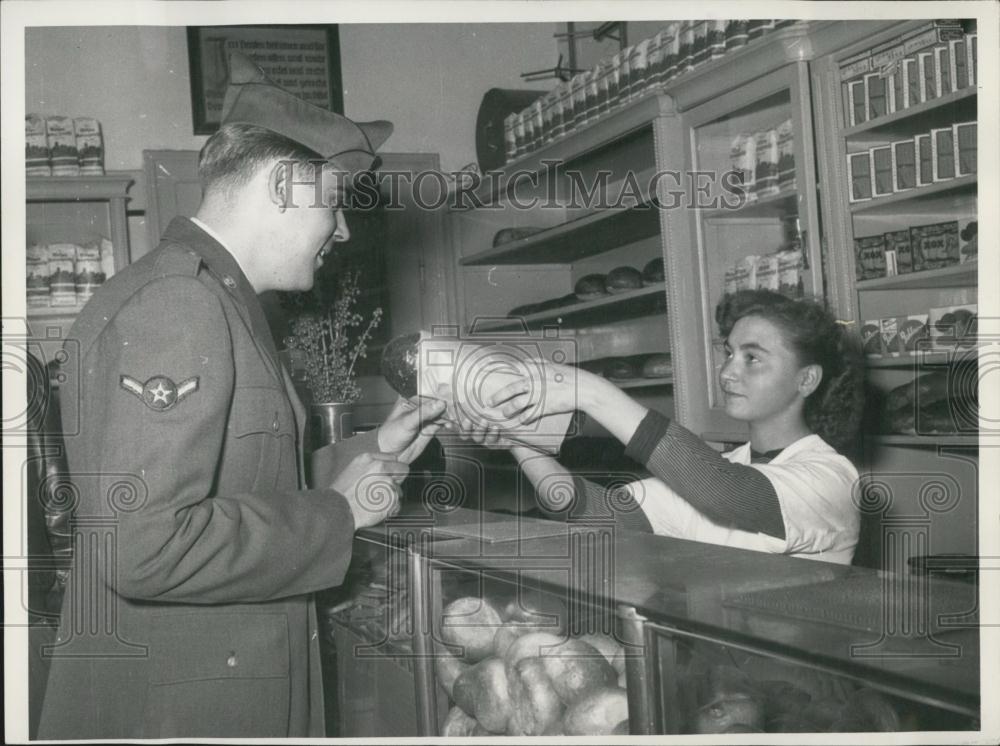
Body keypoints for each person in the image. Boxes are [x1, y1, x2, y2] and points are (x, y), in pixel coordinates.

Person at [37, 52, 445, 739]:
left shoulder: (206, 297)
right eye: (335, 204)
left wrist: (375, 448)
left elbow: (238, 482)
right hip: (187, 707)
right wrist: (338, 514)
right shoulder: (180, 305)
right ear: (285, 184)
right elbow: (147, 547)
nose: (341, 232)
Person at [458, 289, 865, 565]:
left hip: (795, 683)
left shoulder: (831, 479)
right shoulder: (723, 466)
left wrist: (593, 393)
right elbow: (596, 512)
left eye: (752, 358)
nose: (727, 372)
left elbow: (722, 493)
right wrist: (517, 437)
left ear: (806, 379)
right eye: (729, 353)